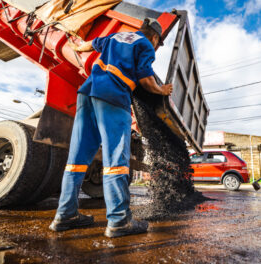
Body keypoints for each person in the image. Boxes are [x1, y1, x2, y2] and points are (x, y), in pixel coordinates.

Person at [49, 18, 173, 237]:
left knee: (76, 160)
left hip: (87, 93)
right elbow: (145, 79)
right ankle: (119, 221)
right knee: (116, 160)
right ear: (154, 37)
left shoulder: (115, 37)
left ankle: (65, 215)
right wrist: (162, 90)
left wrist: (75, 47)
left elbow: (89, 45)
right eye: (158, 43)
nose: (156, 47)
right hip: (113, 96)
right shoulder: (145, 45)